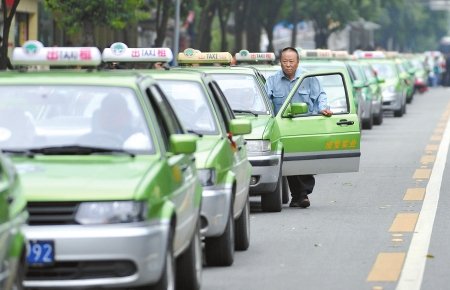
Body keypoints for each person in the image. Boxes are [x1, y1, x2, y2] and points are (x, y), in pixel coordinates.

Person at [265, 47, 332, 208]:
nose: (288, 65)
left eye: (291, 61)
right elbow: (266, 102)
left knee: (303, 160)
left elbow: (320, 95)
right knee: (288, 161)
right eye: (284, 61)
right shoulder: (272, 80)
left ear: (298, 62)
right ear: (280, 62)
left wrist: (323, 108)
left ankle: (301, 195)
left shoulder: (308, 78)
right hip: (282, 127)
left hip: (305, 126)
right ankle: (300, 195)